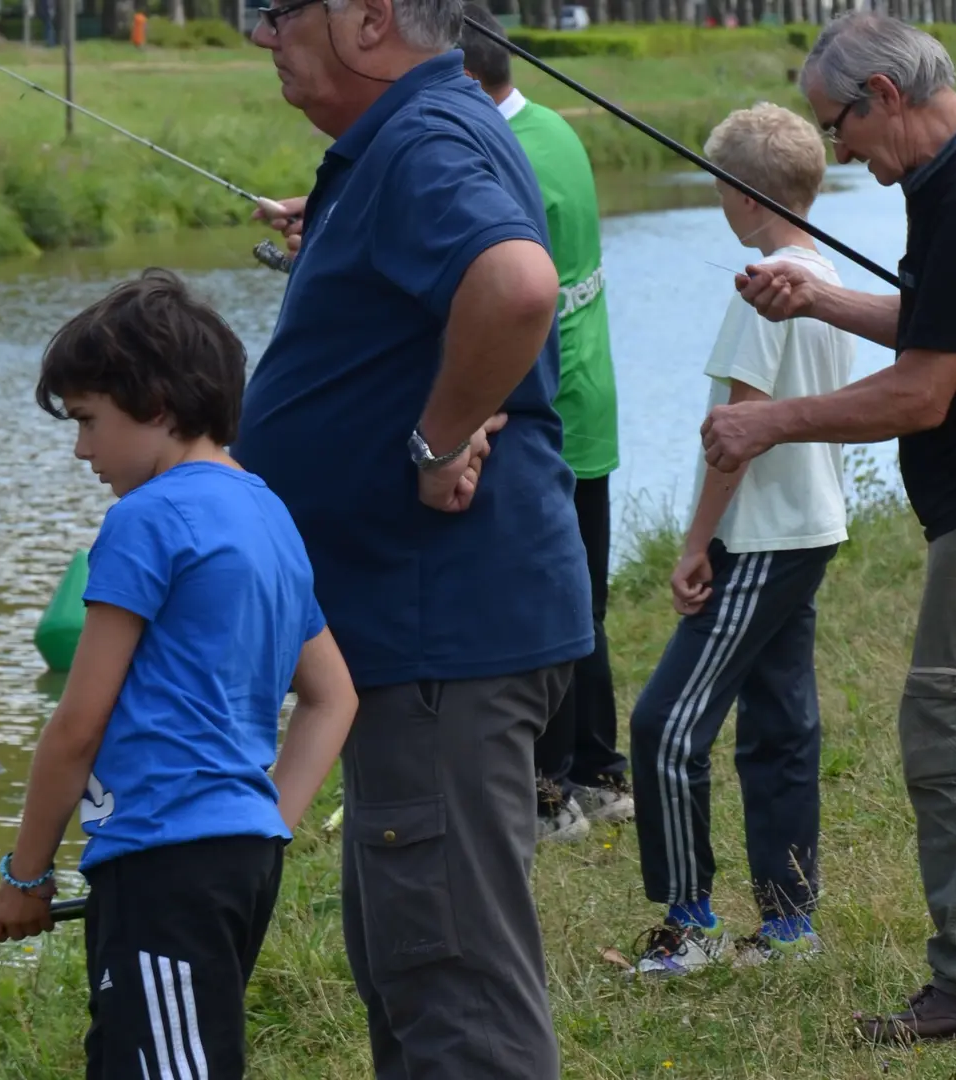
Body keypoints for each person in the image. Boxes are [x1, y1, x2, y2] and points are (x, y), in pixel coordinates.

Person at [705, 12, 956, 1041]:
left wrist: (768, 421)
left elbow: (925, 392)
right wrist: (820, 301)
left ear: (883, 95)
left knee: (946, 728)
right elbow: (954, 321)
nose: (836, 150)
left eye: (836, 125)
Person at [238, 0, 593, 1074]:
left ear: (366, 19)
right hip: (419, 636)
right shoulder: (414, 134)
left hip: (439, 629)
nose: (260, 37)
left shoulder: (422, 139)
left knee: (456, 1003)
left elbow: (517, 285)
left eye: (275, 11)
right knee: (415, 974)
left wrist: (440, 440)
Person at [0, 269, 359, 1077]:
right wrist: (266, 821)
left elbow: (76, 727)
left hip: (163, 867)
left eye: (88, 420)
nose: (82, 449)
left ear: (155, 405)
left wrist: (27, 875)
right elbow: (333, 697)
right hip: (236, 861)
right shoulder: (266, 512)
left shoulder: (146, 519)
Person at [626, 101, 855, 977]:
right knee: (779, 725)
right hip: (808, 528)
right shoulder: (822, 276)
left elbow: (737, 433)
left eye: (720, 185)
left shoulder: (763, 290)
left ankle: (692, 925)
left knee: (665, 725)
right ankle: (790, 929)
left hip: (761, 537)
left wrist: (696, 543)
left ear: (745, 195)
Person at [459, 2, 633, 844]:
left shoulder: (495, 154)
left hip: (538, 411)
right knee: (583, 596)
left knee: (541, 604)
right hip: (586, 399)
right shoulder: (552, 129)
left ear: (460, 79)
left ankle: (549, 790)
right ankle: (600, 773)